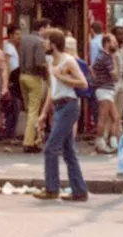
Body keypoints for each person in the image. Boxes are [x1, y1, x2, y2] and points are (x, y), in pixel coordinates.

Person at [33, 29, 90, 203]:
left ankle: (52, 188)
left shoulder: (68, 61)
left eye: (45, 41)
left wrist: (63, 78)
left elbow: (83, 83)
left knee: (51, 147)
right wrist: (43, 113)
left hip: (69, 105)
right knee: (68, 152)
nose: (43, 44)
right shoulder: (50, 61)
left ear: (54, 43)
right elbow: (52, 89)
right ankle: (79, 191)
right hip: (58, 106)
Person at [18, 20, 49, 153]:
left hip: (22, 76)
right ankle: (29, 142)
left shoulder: (23, 39)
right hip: (34, 77)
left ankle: (33, 138)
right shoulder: (40, 41)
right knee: (34, 111)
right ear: (42, 28)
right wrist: (47, 74)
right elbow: (39, 62)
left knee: (29, 109)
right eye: (48, 28)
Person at [91, 35, 119, 154]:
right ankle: (100, 142)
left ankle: (112, 141)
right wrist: (114, 60)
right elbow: (115, 76)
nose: (116, 44)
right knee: (103, 116)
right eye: (114, 42)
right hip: (104, 90)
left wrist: (96, 80)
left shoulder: (103, 56)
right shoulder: (106, 57)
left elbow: (91, 68)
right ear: (107, 43)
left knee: (115, 117)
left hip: (106, 89)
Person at [2, 25, 22, 140]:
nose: (19, 37)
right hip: (12, 78)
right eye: (17, 34)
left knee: (14, 106)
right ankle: (9, 134)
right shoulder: (9, 47)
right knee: (14, 106)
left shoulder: (13, 47)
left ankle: (10, 133)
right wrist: (8, 80)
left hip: (15, 76)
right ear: (10, 35)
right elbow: (7, 63)